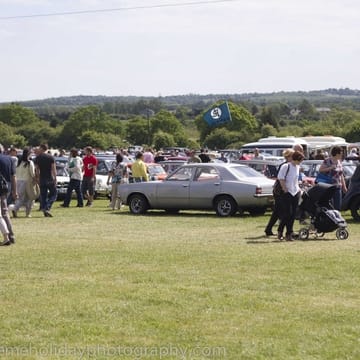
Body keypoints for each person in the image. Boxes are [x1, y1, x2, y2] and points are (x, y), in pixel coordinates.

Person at [264, 148, 294, 236]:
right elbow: (281, 179)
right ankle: (284, 230)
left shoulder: (290, 165)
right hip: (280, 191)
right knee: (284, 211)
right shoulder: (284, 166)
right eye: (292, 156)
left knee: (277, 211)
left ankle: (268, 229)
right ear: (288, 157)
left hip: (281, 191)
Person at [277, 150, 305, 241]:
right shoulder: (286, 166)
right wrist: (285, 189)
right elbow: (281, 178)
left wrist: (299, 189)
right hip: (287, 192)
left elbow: (296, 180)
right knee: (287, 213)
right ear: (296, 159)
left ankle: (289, 233)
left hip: (295, 192)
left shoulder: (297, 167)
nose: (300, 162)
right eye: (300, 160)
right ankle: (280, 230)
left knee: (293, 214)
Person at [318, 145, 347, 210]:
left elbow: (341, 174)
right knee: (330, 206)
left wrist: (344, 186)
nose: (342, 155)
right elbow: (320, 170)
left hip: (338, 186)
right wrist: (330, 168)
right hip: (329, 187)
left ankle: (336, 218)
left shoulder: (339, 162)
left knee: (338, 206)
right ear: (337, 153)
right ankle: (329, 219)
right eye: (341, 153)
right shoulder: (327, 160)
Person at [11, 147, 36, 218]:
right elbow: (32, 173)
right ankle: (27, 213)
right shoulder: (30, 163)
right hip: (27, 182)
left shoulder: (19, 162)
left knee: (20, 198)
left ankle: (15, 209)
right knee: (30, 198)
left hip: (18, 181)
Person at [34, 144, 57, 217]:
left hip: (42, 178)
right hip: (49, 178)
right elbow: (53, 169)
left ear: (41, 148)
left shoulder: (37, 158)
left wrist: (37, 178)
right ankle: (47, 207)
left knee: (43, 195)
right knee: (54, 194)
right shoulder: (50, 157)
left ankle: (44, 208)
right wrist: (55, 178)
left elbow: (37, 169)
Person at [0, 144, 17, 245]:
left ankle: (7, 235)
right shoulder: (9, 159)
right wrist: (15, 191)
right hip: (7, 187)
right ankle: (11, 235)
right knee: (5, 212)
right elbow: (14, 176)